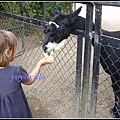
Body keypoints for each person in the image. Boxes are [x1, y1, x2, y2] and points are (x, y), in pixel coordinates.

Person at [0, 30, 52, 118]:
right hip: (17, 114)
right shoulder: (16, 72)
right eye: (15, 48)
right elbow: (30, 80)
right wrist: (39, 64)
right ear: (8, 53)